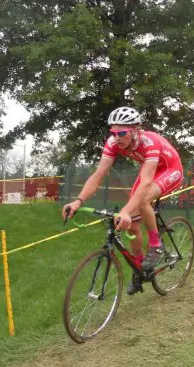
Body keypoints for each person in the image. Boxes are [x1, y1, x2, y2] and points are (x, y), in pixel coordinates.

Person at [62, 106, 184, 295]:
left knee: (141, 201)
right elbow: (99, 174)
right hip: (149, 170)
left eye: (122, 133)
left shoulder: (149, 142)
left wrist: (126, 210)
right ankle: (140, 268)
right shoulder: (112, 143)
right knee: (132, 225)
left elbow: (145, 182)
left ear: (135, 130)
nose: (117, 137)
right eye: (114, 132)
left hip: (169, 169)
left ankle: (156, 243)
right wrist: (78, 201)